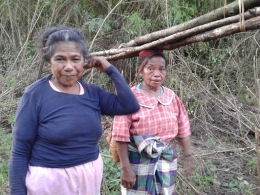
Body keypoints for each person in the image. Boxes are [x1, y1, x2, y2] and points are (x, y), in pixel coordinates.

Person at [8, 26, 140, 195]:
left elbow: (130, 106)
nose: (69, 66)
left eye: (75, 59)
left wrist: (110, 69)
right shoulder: (35, 95)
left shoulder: (93, 93)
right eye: (60, 59)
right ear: (49, 62)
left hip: (88, 181)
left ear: (84, 61)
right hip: (50, 183)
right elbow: (20, 151)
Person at [112, 49, 194, 195]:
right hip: (138, 162)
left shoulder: (171, 96)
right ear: (141, 70)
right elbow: (120, 135)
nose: (157, 74)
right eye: (150, 69)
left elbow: (183, 127)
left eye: (161, 69)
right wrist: (126, 168)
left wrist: (188, 155)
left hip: (166, 161)